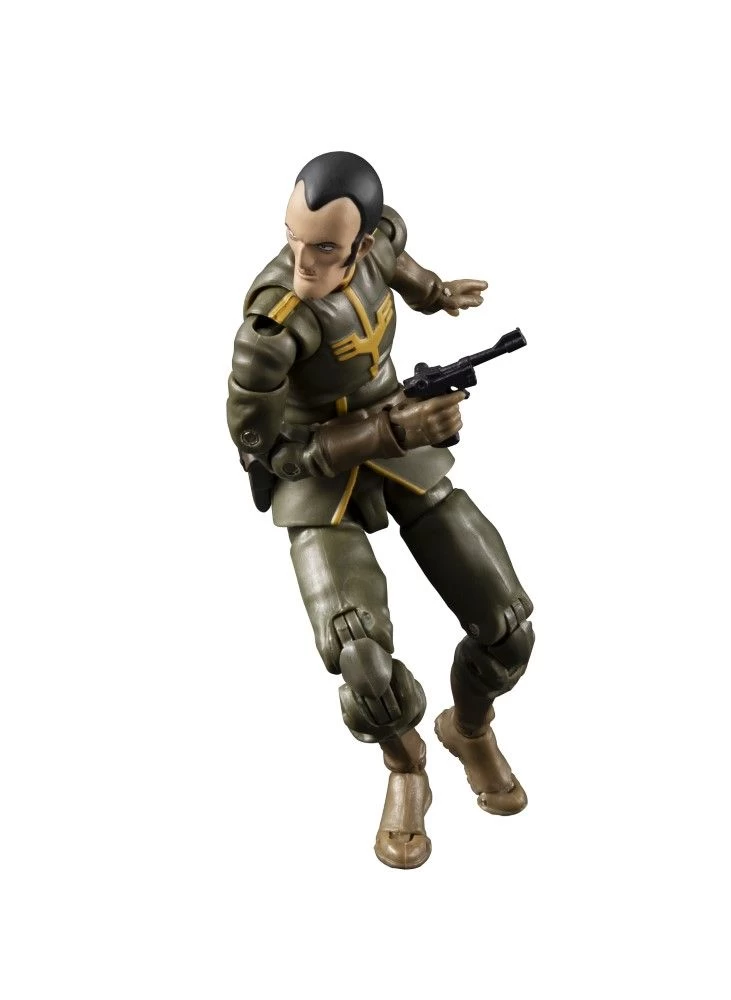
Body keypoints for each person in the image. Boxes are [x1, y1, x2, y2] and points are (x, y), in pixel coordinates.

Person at [227, 151, 534, 868]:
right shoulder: (271, 329)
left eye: (325, 248)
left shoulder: (379, 243)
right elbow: (272, 453)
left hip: (401, 432)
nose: (302, 263)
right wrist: (388, 431)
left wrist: (437, 293)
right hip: (320, 468)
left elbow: (401, 265)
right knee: (359, 656)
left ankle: (469, 728)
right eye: (293, 239)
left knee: (509, 626)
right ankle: (406, 766)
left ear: (361, 242)